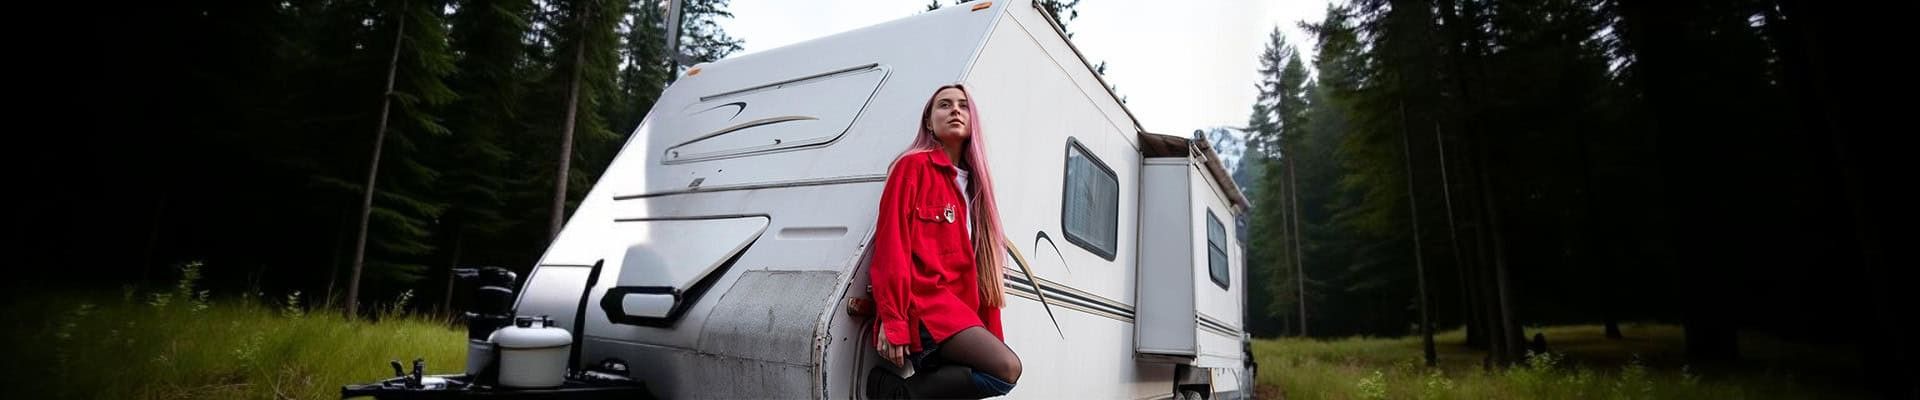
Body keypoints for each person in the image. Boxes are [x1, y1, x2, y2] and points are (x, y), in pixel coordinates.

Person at [866, 84, 1023, 399]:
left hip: (962, 314)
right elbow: (891, 246)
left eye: (963, 106)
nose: (955, 111)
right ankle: (895, 394)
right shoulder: (912, 167)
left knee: (996, 374)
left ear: (972, 119)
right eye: (945, 105)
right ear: (929, 121)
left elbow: (983, 275)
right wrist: (892, 320)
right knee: (1007, 369)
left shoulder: (977, 187)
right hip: (927, 308)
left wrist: (992, 335)